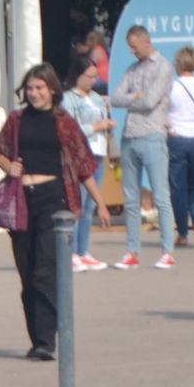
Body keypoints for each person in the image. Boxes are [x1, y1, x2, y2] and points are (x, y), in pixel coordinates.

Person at [0, 65, 92, 361]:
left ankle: (47, 341)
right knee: (27, 273)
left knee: (45, 271)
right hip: (22, 199)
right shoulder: (16, 120)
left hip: (54, 199)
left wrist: (98, 203)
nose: (34, 93)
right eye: (30, 88)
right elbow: (1, 149)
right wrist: (7, 166)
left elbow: (83, 164)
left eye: (39, 87)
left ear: (51, 89)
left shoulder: (65, 123)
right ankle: (36, 337)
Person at [107, 24, 175, 268]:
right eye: (130, 48)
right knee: (131, 197)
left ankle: (167, 251)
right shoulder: (132, 69)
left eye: (135, 47)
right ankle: (132, 251)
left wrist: (134, 99)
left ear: (147, 42)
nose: (133, 52)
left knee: (161, 195)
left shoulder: (164, 67)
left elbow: (150, 101)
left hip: (153, 134)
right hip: (130, 135)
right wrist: (133, 97)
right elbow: (114, 97)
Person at [62, 63, 112, 270]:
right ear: (78, 75)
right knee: (78, 203)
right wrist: (96, 126)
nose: (93, 81)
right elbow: (70, 128)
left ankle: (83, 250)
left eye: (95, 77)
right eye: (89, 77)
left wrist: (107, 126)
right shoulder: (69, 98)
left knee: (92, 204)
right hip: (80, 153)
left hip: (98, 151)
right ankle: (71, 252)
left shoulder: (98, 98)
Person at [164, 46, 194, 244]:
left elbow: (162, 112)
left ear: (181, 64)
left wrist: (171, 129)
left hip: (177, 138)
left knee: (177, 187)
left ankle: (182, 233)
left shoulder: (171, 87)